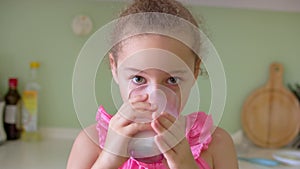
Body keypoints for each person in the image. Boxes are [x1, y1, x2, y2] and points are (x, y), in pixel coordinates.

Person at [67, 0, 238, 168]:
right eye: (138, 79)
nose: (155, 99)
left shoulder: (217, 145)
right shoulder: (90, 144)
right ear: (115, 67)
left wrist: (185, 165)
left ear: (194, 71)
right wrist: (109, 160)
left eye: (172, 80)